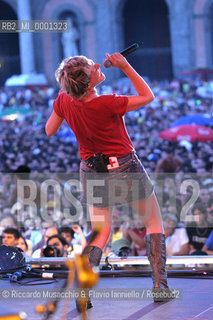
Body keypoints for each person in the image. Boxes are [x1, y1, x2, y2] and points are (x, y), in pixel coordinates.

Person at [46, 52, 171, 303]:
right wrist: (125, 66)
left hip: (91, 170)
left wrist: (68, 111)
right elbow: (148, 96)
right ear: (88, 81)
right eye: (93, 66)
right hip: (124, 166)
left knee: (100, 232)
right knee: (153, 222)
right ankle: (160, 286)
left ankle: (83, 291)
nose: (98, 65)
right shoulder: (107, 103)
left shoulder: (64, 100)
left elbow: (50, 130)